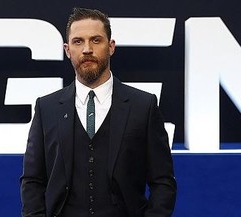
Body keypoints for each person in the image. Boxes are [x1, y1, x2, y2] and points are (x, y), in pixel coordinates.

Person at [20, 7, 177, 217]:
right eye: (78, 41)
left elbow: (163, 181)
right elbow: (32, 180)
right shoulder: (46, 108)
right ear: (67, 50)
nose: (87, 49)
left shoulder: (143, 106)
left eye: (96, 40)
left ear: (111, 46)